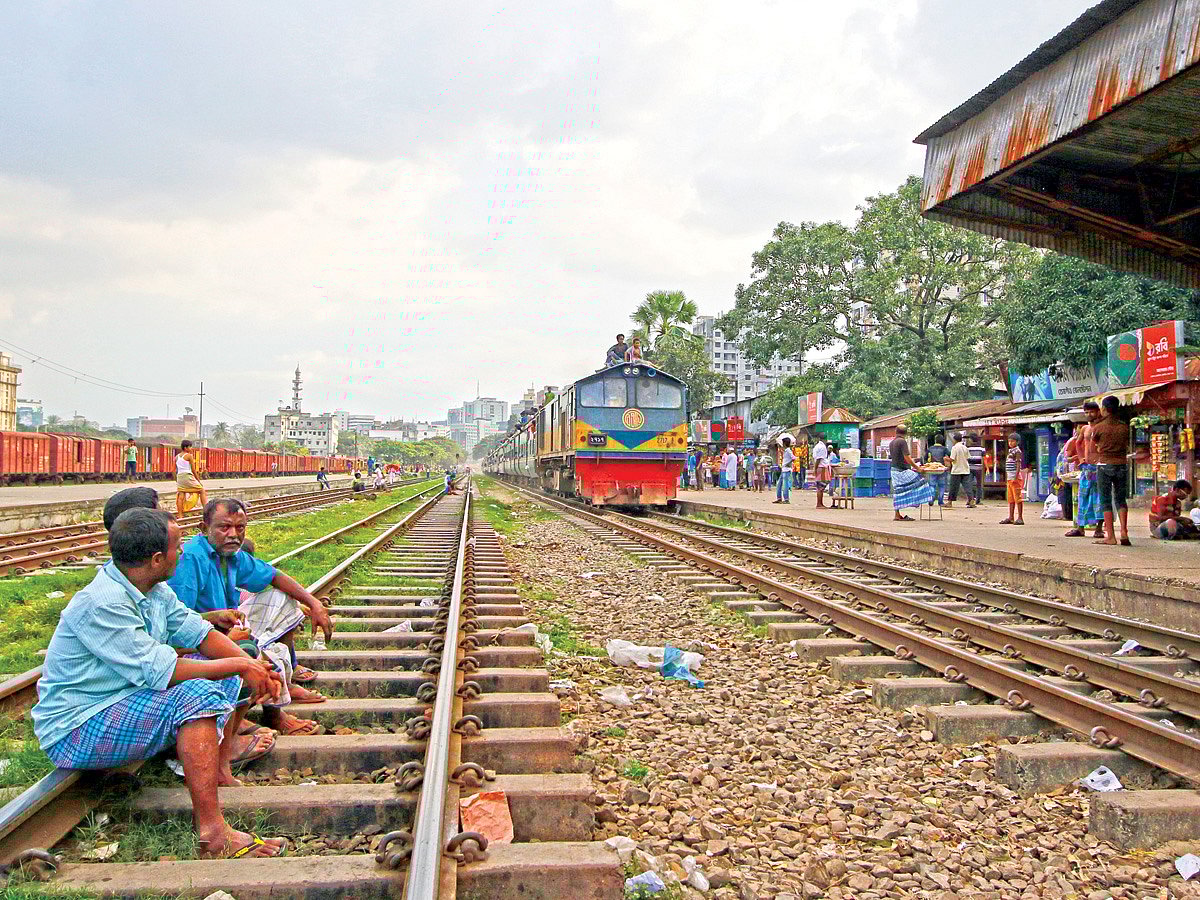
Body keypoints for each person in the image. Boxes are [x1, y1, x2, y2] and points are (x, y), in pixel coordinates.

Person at [32, 508, 286, 859]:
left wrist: (249, 666)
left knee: (224, 673)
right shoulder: (103, 604)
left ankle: (218, 769)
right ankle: (213, 834)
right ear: (155, 559)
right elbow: (165, 671)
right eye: (177, 547)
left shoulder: (151, 589)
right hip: (79, 728)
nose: (182, 553)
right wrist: (243, 664)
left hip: (122, 703)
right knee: (198, 693)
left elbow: (199, 633)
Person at [168, 498, 333, 737]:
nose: (234, 534)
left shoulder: (231, 556)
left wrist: (314, 603)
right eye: (224, 527)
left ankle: (289, 674)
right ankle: (271, 713)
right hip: (197, 641)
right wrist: (217, 626)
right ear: (204, 528)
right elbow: (176, 625)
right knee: (250, 652)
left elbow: (273, 575)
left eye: (240, 528)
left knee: (283, 598)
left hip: (226, 625)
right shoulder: (191, 559)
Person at [1092, 395, 1131, 546]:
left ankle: (1111, 537)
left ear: (1105, 409)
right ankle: (1124, 531)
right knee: (1121, 499)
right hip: (1121, 464)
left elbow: (1095, 444)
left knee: (1106, 500)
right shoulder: (1123, 427)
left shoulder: (1099, 427)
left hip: (1104, 465)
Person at [1065, 405, 1104, 538]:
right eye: (1086, 412)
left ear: (1098, 412)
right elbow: (1077, 443)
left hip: (1100, 467)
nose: (1089, 414)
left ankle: (1099, 528)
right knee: (1083, 498)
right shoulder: (1085, 429)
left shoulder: (1102, 427)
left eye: (1091, 412)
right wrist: (1081, 458)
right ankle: (1080, 528)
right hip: (1086, 468)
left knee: (1099, 499)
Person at [889, 425, 934, 521]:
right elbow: (907, 457)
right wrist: (917, 468)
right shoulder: (902, 441)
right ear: (906, 433)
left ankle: (897, 514)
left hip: (894, 470)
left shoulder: (892, 442)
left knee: (898, 491)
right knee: (922, 480)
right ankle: (926, 498)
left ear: (896, 431)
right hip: (902, 470)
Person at [999, 433, 1027, 525]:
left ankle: (1020, 517)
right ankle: (1011, 517)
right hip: (1009, 478)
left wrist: (1016, 476)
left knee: (1018, 498)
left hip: (1015, 478)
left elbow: (1018, 465)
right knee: (1011, 499)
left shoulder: (1017, 451)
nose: (1010, 443)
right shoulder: (1011, 451)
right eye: (1009, 441)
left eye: (1012, 441)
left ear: (1017, 442)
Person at [175, 440, 208, 514]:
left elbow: (173, 471)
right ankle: (206, 511)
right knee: (202, 490)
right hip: (187, 476)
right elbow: (193, 470)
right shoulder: (189, 456)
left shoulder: (176, 457)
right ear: (186, 448)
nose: (191, 448)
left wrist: (176, 480)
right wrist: (198, 481)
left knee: (181, 494)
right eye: (190, 447)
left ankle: (180, 516)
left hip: (179, 477)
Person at [945, 433, 975, 508]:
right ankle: (971, 500)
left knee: (953, 487)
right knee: (967, 486)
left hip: (956, 470)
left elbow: (952, 459)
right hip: (965, 469)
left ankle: (950, 502)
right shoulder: (965, 447)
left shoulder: (954, 448)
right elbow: (968, 457)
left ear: (954, 440)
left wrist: (946, 459)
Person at [924, 435, 951, 507]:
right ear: (942, 441)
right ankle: (940, 501)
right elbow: (950, 456)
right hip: (941, 469)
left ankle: (931, 498)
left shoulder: (930, 449)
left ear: (935, 440)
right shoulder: (944, 449)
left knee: (932, 485)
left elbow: (925, 458)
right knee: (942, 485)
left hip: (932, 469)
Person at [773, 437, 794, 504]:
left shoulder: (788, 450)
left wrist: (788, 463)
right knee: (779, 484)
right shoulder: (786, 450)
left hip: (786, 470)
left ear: (784, 443)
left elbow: (793, 458)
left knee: (785, 485)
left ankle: (786, 499)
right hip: (784, 469)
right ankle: (779, 498)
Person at [968, 435, 986, 505]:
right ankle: (978, 500)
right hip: (979, 468)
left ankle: (970, 499)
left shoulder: (968, 448)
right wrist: (986, 467)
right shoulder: (982, 448)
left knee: (969, 484)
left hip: (969, 468)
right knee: (979, 484)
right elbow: (984, 459)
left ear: (971, 440)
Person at [811, 437, 829, 507]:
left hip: (819, 467)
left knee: (820, 486)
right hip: (821, 467)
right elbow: (818, 459)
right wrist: (815, 469)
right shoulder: (822, 447)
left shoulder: (817, 446)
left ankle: (820, 503)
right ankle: (819, 503)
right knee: (820, 487)